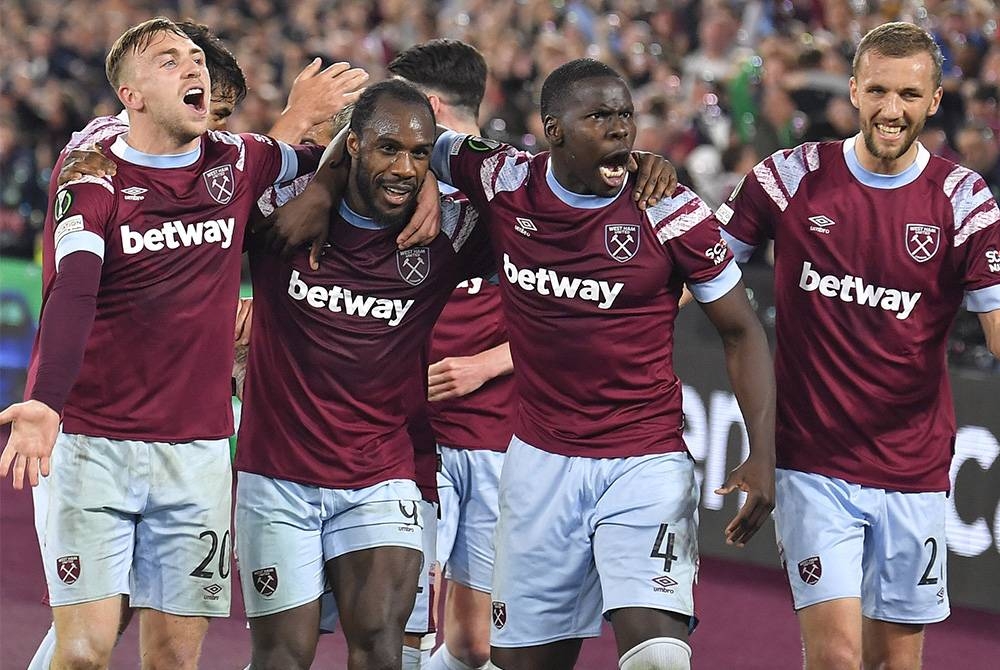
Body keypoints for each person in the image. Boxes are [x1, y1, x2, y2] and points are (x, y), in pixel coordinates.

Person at [0, 17, 331, 669]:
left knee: (171, 656)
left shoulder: (229, 162)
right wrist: (45, 401)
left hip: (196, 450)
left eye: (219, 106)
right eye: (174, 65)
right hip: (94, 438)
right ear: (134, 94)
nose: (217, 123)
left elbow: (311, 163)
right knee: (89, 645)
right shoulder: (94, 165)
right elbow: (74, 290)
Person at [425, 58, 776, 670]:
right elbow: (415, 138)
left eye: (624, 116)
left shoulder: (672, 212)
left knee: (659, 659)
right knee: (516, 661)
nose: (619, 130)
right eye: (598, 117)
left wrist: (764, 450)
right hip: (537, 463)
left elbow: (742, 331)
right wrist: (335, 184)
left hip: (643, 462)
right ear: (553, 129)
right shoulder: (505, 178)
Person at [715, 21, 1000, 670]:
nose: (891, 110)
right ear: (852, 90)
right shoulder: (788, 178)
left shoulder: (964, 200)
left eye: (908, 94)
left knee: (895, 662)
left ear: (934, 101)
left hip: (914, 469)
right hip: (813, 463)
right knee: (838, 658)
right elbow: (695, 276)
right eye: (876, 90)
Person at [232, 79, 495, 670]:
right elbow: (208, 209)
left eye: (419, 154)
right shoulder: (287, 209)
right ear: (352, 145)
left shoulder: (447, 231)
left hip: (380, 475)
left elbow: (549, 225)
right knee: (282, 660)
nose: (404, 167)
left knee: (381, 646)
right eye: (388, 149)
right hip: (276, 475)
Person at [388, 39, 513, 670]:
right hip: (410, 440)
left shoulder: (518, 186)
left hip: (495, 434)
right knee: (402, 626)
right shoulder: (386, 182)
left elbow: (588, 306)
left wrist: (487, 364)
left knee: (473, 643)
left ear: (430, 107)